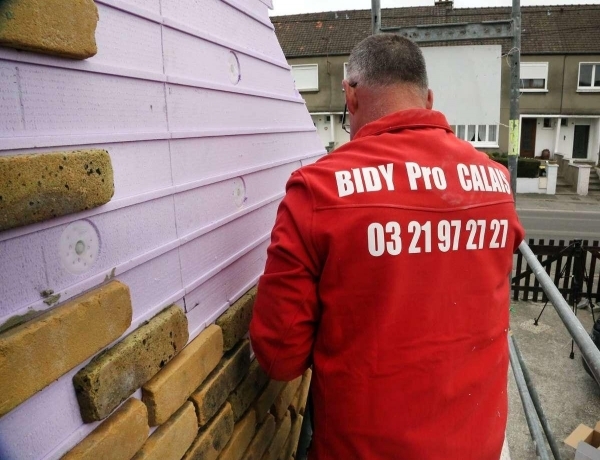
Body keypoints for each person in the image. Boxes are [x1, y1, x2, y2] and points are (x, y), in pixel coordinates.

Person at [249, 34, 525, 460]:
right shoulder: (495, 182)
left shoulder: (319, 190)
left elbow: (279, 355)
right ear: (428, 99)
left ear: (350, 95)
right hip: (479, 443)